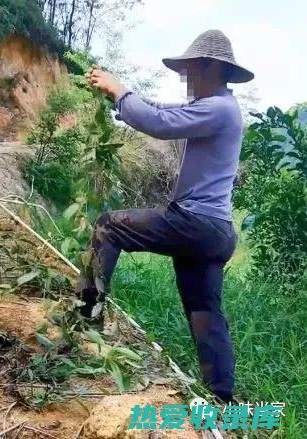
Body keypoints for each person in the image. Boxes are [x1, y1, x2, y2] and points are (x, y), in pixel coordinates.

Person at [82, 29, 255, 403]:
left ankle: (85, 317)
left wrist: (119, 89)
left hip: (196, 223)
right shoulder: (216, 105)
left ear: (209, 66)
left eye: (190, 68)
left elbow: (158, 125)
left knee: (108, 227)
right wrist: (120, 97)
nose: (186, 76)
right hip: (216, 231)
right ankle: (223, 398)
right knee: (204, 309)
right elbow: (162, 110)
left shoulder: (219, 108)